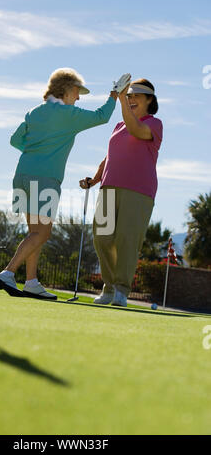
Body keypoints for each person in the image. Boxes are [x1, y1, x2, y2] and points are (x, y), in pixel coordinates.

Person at [0, 68, 131, 300]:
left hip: (22, 175)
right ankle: (8, 272)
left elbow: (15, 140)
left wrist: (35, 152)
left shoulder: (34, 112)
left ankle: (31, 282)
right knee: (43, 234)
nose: (78, 97)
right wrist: (114, 94)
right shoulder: (68, 114)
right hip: (46, 178)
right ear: (66, 89)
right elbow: (102, 116)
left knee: (34, 233)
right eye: (77, 91)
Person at [80, 78, 163, 306]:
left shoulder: (154, 124)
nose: (131, 98)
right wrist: (94, 179)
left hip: (139, 191)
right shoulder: (118, 126)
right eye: (129, 95)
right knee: (102, 237)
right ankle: (108, 287)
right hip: (108, 188)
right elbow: (109, 157)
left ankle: (120, 290)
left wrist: (121, 101)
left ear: (150, 100)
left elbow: (137, 130)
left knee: (127, 239)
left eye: (136, 95)